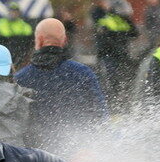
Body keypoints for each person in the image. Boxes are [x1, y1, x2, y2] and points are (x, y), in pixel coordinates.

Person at [15, 18, 107, 154]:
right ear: (64, 41)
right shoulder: (83, 73)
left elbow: (14, 122)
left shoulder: (20, 78)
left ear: (39, 41)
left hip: (36, 157)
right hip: (77, 154)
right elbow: (100, 114)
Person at [94, 0, 138, 88]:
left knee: (127, 77)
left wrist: (128, 20)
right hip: (109, 54)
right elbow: (105, 40)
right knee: (112, 78)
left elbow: (135, 33)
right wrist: (120, 50)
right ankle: (112, 97)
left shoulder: (123, 20)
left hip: (122, 54)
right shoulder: (106, 20)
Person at [0, 3, 34, 68]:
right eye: (12, 11)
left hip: (21, 58)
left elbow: (30, 43)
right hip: (4, 58)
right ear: (8, 12)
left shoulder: (25, 26)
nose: (14, 13)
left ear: (19, 13)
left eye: (16, 12)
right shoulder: (0, 24)